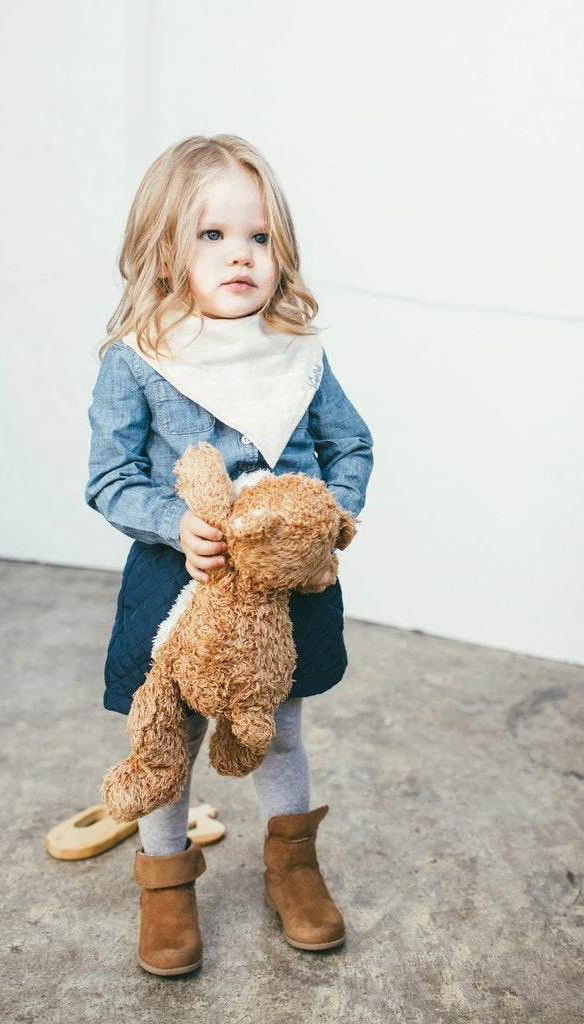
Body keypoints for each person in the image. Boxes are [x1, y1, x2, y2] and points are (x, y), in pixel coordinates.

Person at [85, 134, 374, 976]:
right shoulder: (139, 360)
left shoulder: (298, 356)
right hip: (181, 578)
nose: (239, 254)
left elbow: (350, 447)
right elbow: (110, 478)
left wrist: (328, 522)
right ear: (163, 254)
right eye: (211, 235)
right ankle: (166, 882)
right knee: (168, 727)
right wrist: (175, 522)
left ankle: (293, 864)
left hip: (290, 586)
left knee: (278, 725)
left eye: (258, 237)